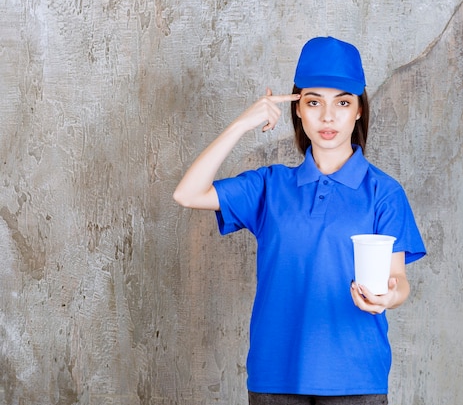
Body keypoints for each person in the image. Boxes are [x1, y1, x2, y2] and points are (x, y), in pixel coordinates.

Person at [174, 36, 426, 405]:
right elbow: (187, 194)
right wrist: (241, 124)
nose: (328, 117)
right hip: (276, 376)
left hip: (356, 377)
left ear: (358, 110)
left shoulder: (383, 192)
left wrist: (388, 296)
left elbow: (399, 280)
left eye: (342, 102)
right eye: (313, 102)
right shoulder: (270, 186)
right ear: (298, 110)